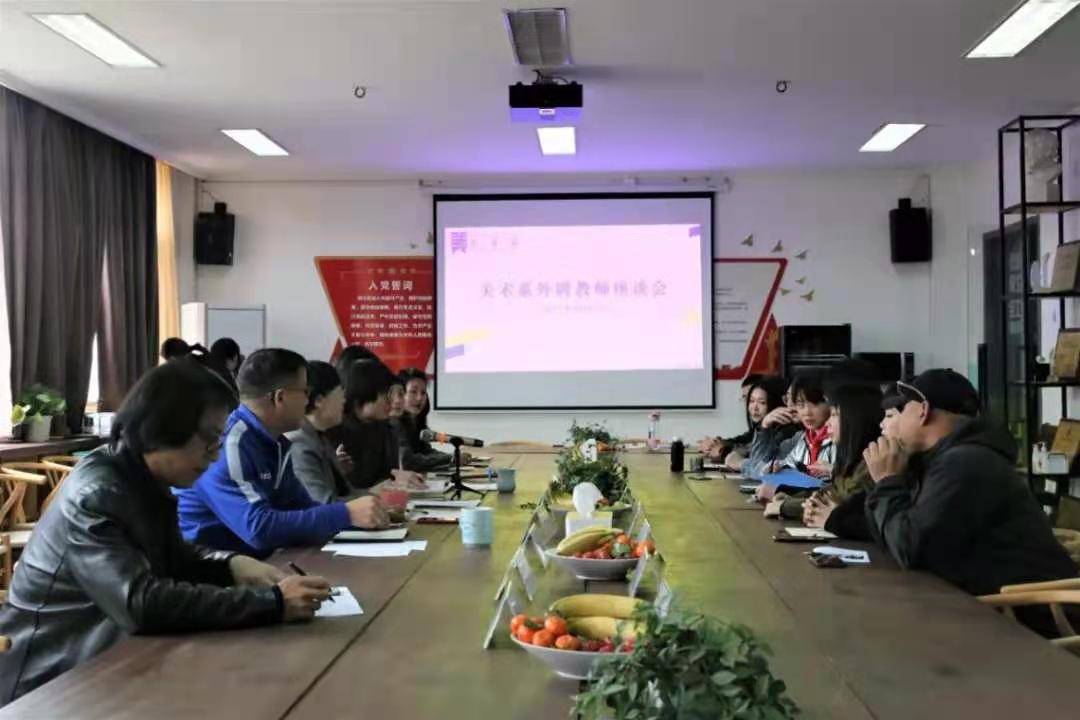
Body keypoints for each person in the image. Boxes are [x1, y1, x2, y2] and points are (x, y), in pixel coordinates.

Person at [0, 360, 332, 705]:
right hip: (48, 682)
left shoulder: (141, 476)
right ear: (162, 429)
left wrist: (231, 565)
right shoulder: (97, 494)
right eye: (208, 442)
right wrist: (272, 603)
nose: (215, 456)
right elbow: (139, 602)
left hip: (110, 661)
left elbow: (174, 557)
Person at [863, 369, 1078, 634]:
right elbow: (895, 536)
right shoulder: (941, 460)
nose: (887, 423)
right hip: (991, 609)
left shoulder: (964, 463)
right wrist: (887, 481)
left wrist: (887, 482)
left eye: (902, 409)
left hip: (1029, 623)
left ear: (922, 411)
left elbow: (910, 548)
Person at [176, 349, 389, 557]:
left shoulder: (275, 441)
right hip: (213, 566)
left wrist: (362, 516)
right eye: (305, 392)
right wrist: (346, 514)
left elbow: (300, 507)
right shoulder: (231, 444)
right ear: (280, 397)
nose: (307, 401)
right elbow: (258, 528)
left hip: (263, 559)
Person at [800, 384, 884, 536]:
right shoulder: (851, 459)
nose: (827, 423)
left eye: (834, 415)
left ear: (855, 419)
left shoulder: (874, 463)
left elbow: (839, 503)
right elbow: (829, 497)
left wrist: (787, 506)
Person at [336, 359, 425, 490]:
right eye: (386, 394)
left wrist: (396, 477)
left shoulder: (385, 426)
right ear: (365, 393)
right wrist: (390, 482)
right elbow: (338, 493)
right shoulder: (335, 430)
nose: (393, 401)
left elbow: (386, 474)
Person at [288, 361, 355, 504]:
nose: (344, 401)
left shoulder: (317, 436)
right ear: (319, 400)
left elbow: (344, 493)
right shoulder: (299, 444)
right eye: (340, 394)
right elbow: (323, 504)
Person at [391, 368, 465, 471]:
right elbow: (408, 462)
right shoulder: (394, 423)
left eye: (423, 393)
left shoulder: (417, 423)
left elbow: (426, 452)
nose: (419, 398)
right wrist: (450, 459)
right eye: (413, 392)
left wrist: (454, 457)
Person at [722, 376, 786, 472]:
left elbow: (762, 467)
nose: (754, 407)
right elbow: (749, 446)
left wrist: (740, 463)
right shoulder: (759, 428)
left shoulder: (785, 432)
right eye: (751, 401)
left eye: (762, 402)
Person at [697, 374, 762, 458]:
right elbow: (743, 440)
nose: (751, 405)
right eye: (745, 398)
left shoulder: (774, 426)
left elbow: (755, 450)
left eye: (752, 399)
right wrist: (716, 443)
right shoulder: (757, 426)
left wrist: (723, 450)